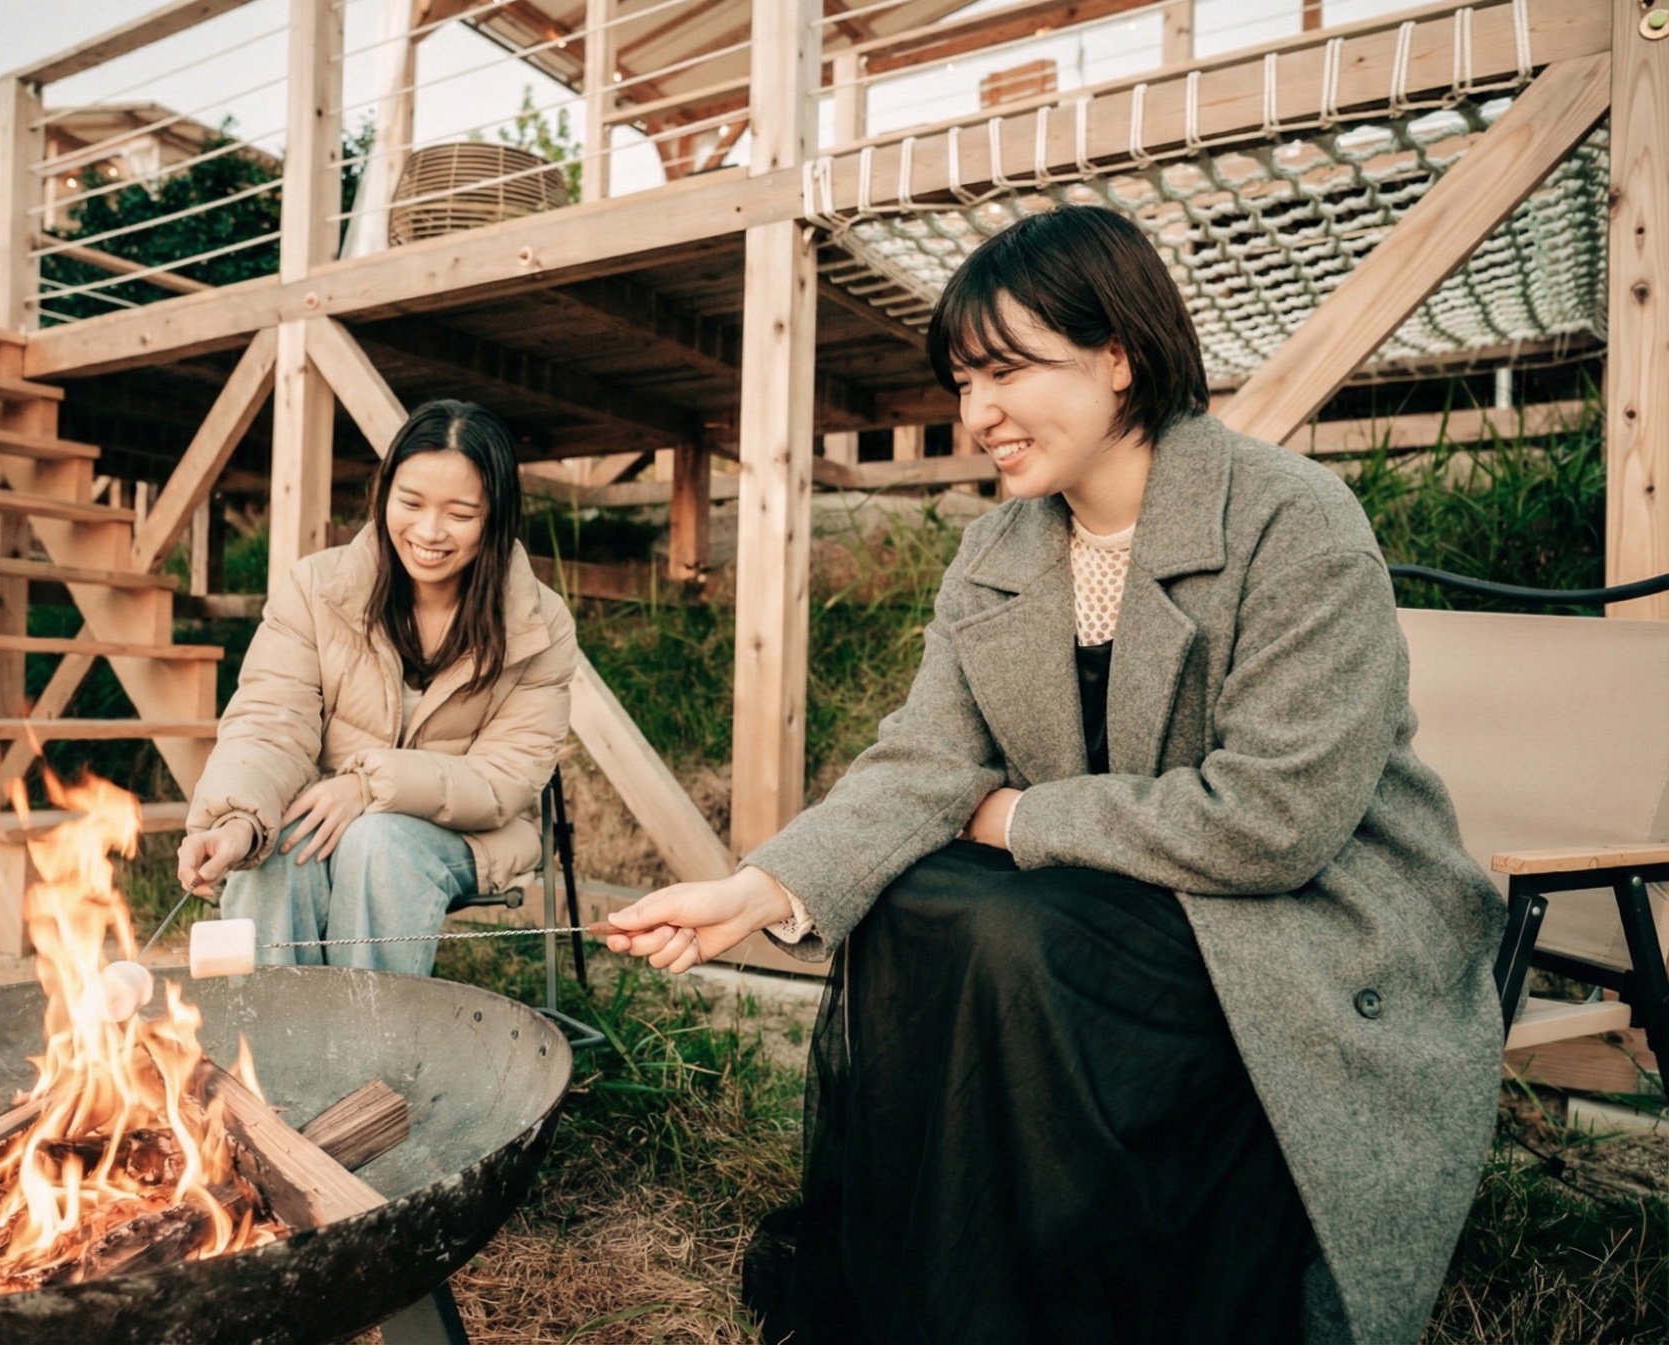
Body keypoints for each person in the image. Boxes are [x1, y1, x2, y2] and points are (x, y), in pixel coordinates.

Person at [605, 207, 1504, 1344]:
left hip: (1306, 922)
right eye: (962, 379)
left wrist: (1017, 815)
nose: (977, 411)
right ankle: (966, 1291)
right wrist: (756, 891)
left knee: (1010, 931)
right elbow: (922, 759)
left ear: (1118, 355)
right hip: (1123, 904)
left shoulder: (1291, 518)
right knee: (913, 898)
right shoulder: (997, 549)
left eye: (1007, 369)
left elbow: (1275, 820)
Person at [178, 399, 577, 976]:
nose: (429, 531)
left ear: (496, 516)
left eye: (461, 514)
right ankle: (268, 1027)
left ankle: (369, 1034)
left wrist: (370, 787)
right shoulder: (317, 588)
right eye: (410, 503)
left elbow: (504, 778)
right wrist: (239, 818)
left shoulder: (538, 622)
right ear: (384, 493)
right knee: (277, 845)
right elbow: (269, 722)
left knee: (378, 844)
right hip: (324, 810)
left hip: (466, 832)